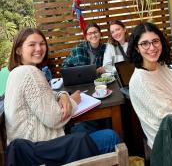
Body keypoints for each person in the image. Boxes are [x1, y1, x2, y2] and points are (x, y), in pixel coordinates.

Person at [4, 28, 120, 159]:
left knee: (86, 127)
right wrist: (73, 101)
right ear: (19, 50)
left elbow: (45, 95)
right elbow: (55, 118)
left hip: (28, 150)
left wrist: (62, 95)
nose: (39, 48)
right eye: (32, 44)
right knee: (111, 137)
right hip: (42, 153)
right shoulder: (30, 73)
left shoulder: (16, 72)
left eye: (42, 44)